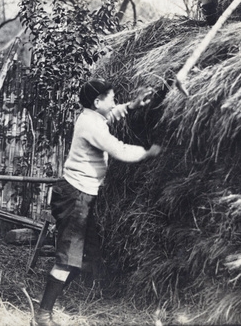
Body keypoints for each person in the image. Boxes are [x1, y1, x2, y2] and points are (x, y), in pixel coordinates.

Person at [35, 80, 163, 326]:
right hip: (76, 197)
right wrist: (148, 152)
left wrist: (131, 106)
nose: (114, 103)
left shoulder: (91, 117)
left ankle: (50, 303)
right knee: (67, 258)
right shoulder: (91, 126)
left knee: (79, 256)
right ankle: (42, 314)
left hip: (82, 194)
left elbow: (110, 115)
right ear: (97, 102)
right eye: (111, 99)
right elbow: (119, 149)